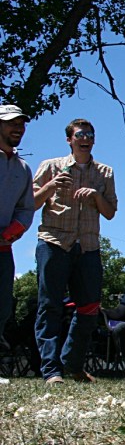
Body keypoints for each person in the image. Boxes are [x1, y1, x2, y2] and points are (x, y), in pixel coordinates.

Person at [33, 118, 117, 384]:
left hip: (88, 247)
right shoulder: (51, 166)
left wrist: (95, 195)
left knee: (90, 308)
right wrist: (50, 187)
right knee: (50, 307)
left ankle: (73, 363)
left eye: (90, 134)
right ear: (69, 139)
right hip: (54, 242)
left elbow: (110, 212)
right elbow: (31, 203)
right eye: (80, 134)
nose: (85, 138)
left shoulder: (105, 172)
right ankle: (51, 370)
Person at [0, 105, 33, 352]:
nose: (18, 128)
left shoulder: (22, 168)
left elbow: (26, 209)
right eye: (12, 123)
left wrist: (10, 233)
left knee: (2, 306)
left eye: (21, 124)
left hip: (3, 246)